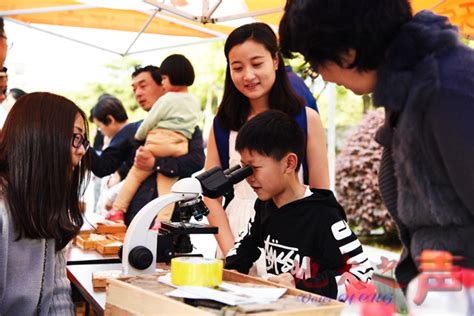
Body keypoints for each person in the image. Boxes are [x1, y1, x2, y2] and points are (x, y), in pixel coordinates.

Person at [279, 0, 474, 290]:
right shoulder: (408, 89)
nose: (319, 74)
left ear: (348, 53)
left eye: (316, 61)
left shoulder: (446, 90)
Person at [204, 22, 330, 261]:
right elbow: (211, 195)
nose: (248, 75)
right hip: (235, 236)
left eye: (257, 63)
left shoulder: (306, 120)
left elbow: (321, 193)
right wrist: (232, 252)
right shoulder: (221, 126)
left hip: (294, 242)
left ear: (275, 60)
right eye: (238, 67)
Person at [225, 110, 373, 299]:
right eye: (244, 168)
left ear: (289, 163)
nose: (248, 178)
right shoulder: (264, 205)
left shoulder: (323, 215)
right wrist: (233, 269)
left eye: (254, 168)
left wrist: (300, 285)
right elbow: (246, 245)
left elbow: (362, 274)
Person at [0, 92, 91, 314]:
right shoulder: (3, 210)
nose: (81, 150)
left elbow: (58, 291)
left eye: (83, 140)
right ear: (40, 137)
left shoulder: (45, 205)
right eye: (75, 138)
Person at [90, 65, 205, 225]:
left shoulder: (187, 128)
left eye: (143, 86)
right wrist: (80, 141)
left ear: (163, 85)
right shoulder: (131, 131)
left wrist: (155, 163)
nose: (137, 93)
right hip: (132, 224)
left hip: (171, 230)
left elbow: (197, 161)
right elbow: (103, 167)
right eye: (134, 88)